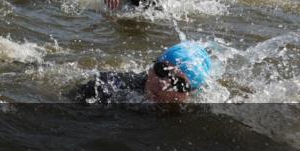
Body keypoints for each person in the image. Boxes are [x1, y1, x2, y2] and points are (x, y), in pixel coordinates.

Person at [74, 42, 212, 104]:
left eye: (178, 84)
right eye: (162, 70)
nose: (163, 84)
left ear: (190, 94)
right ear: (151, 68)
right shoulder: (109, 87)